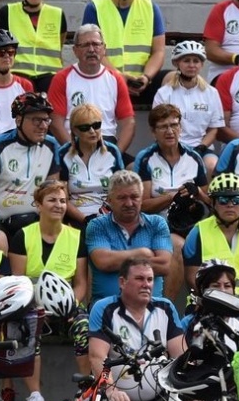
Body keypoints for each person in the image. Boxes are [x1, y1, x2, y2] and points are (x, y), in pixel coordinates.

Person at [8, 179, 90, 401]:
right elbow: (19, 280)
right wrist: (34, 304)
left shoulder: (77, 237)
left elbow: (82, 283)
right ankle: (35, 396)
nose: (59, 205)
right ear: (38, 204)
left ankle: (85, 392)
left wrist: (69, 305)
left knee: (84, 325)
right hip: (32, 302)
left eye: (63, 201)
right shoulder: (22, 235)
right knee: (24, 326)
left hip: (66, 303)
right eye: (52, 200)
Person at [86, 257, 185, 401]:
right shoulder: (104, 308)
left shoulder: (165, 308)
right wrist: (111, 389)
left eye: (150, 279)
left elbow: (181, 356)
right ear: (122, 282)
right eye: (139, 279)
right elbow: (98, 357)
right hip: (118, 394)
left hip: (159, 395)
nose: (146, 284)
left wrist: (187, 391)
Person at [83, 0, 165, 99]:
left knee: (172, 77)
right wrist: (119, 76)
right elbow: (92, 52)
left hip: (141, 82)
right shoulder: (94, 8)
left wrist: (146, 77)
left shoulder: (151, 7)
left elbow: (159, 52)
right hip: (107, 79)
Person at [182, 171, 239, 304]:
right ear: (212, 203)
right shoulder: (197, 233)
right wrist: (218, 302)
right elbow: (191, 278)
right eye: (223, 200)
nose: (230, 205)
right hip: (206, 301)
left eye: (236, 200)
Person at [0, 90, 55, 237]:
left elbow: (54, 192)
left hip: (37, 225)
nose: (43, 126)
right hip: (0, 225)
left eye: (46, 120)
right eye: (37, 120)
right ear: (19, 120)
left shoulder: (52, 146)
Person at [84, 169, 171, 302]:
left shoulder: (157, 224)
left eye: (134, 197)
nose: (129, 203)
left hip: (151, 309)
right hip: (107, 310)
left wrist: (118, 260)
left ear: (141, 198)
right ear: (109, 200)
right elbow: (104, 262)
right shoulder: (97, 226)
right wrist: (143, 253)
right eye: (122, 198)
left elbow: (164, 265)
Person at [47, 24, 135, 149]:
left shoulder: (115, 79)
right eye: (85, 45)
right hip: (73, 142)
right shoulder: (62, 78)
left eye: (96, 44)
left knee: (134, 167)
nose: (91, 49)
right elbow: (56, 124)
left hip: (106, 142)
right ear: (75, 50)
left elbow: (128, 123)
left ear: (104, 49)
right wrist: (73, 151)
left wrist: (116, 155)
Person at [0, 0, 66, 91]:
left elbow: (60, 45)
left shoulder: (58, 14)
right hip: (18, 76)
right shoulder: (7, 12)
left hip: (50, 78)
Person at [134, 102, 209, 221]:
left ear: (180, 128)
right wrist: (172, 197)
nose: (170, 131)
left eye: (174, 125)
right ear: (153, 132)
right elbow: (142, 205)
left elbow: (208, 202)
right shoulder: (145, 159)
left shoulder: (194, 158)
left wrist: (197, 191)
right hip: (157, 223)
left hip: (189, 221)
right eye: (163, 126)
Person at [149, 43, 222, 163]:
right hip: (170, 148)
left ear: (202, 64)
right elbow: (158, 126)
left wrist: (201, 148)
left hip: (201, 148)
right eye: (186, 61)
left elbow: (213, 129)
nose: (192, 65)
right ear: (177, 63)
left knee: (211, 165)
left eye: (196, 61)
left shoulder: (211, 93)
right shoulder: (164, 93)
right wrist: (174, 148)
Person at [55, 103, 125, 228]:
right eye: (85, 128)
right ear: (75, 130)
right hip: (76, 218)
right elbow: (61, 198)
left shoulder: (113, 152)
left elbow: (122, 191)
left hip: (109, 216)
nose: (92, 131)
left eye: (96, 125)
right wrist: (86, 219)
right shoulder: (63, 154)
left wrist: (105, 215)